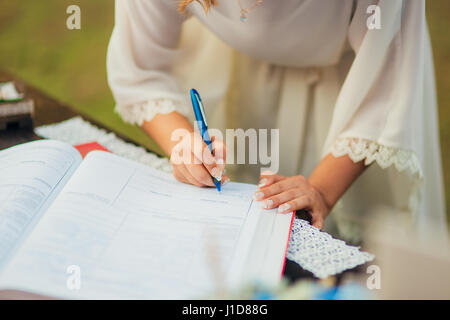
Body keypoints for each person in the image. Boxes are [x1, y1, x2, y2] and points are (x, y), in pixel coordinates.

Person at [107, 0, 447, 242]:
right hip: (245, 79)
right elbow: (141, 69)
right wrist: (182, 143)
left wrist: (321, 194)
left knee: (359, 246)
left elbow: (385, 90)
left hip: (355, 90)